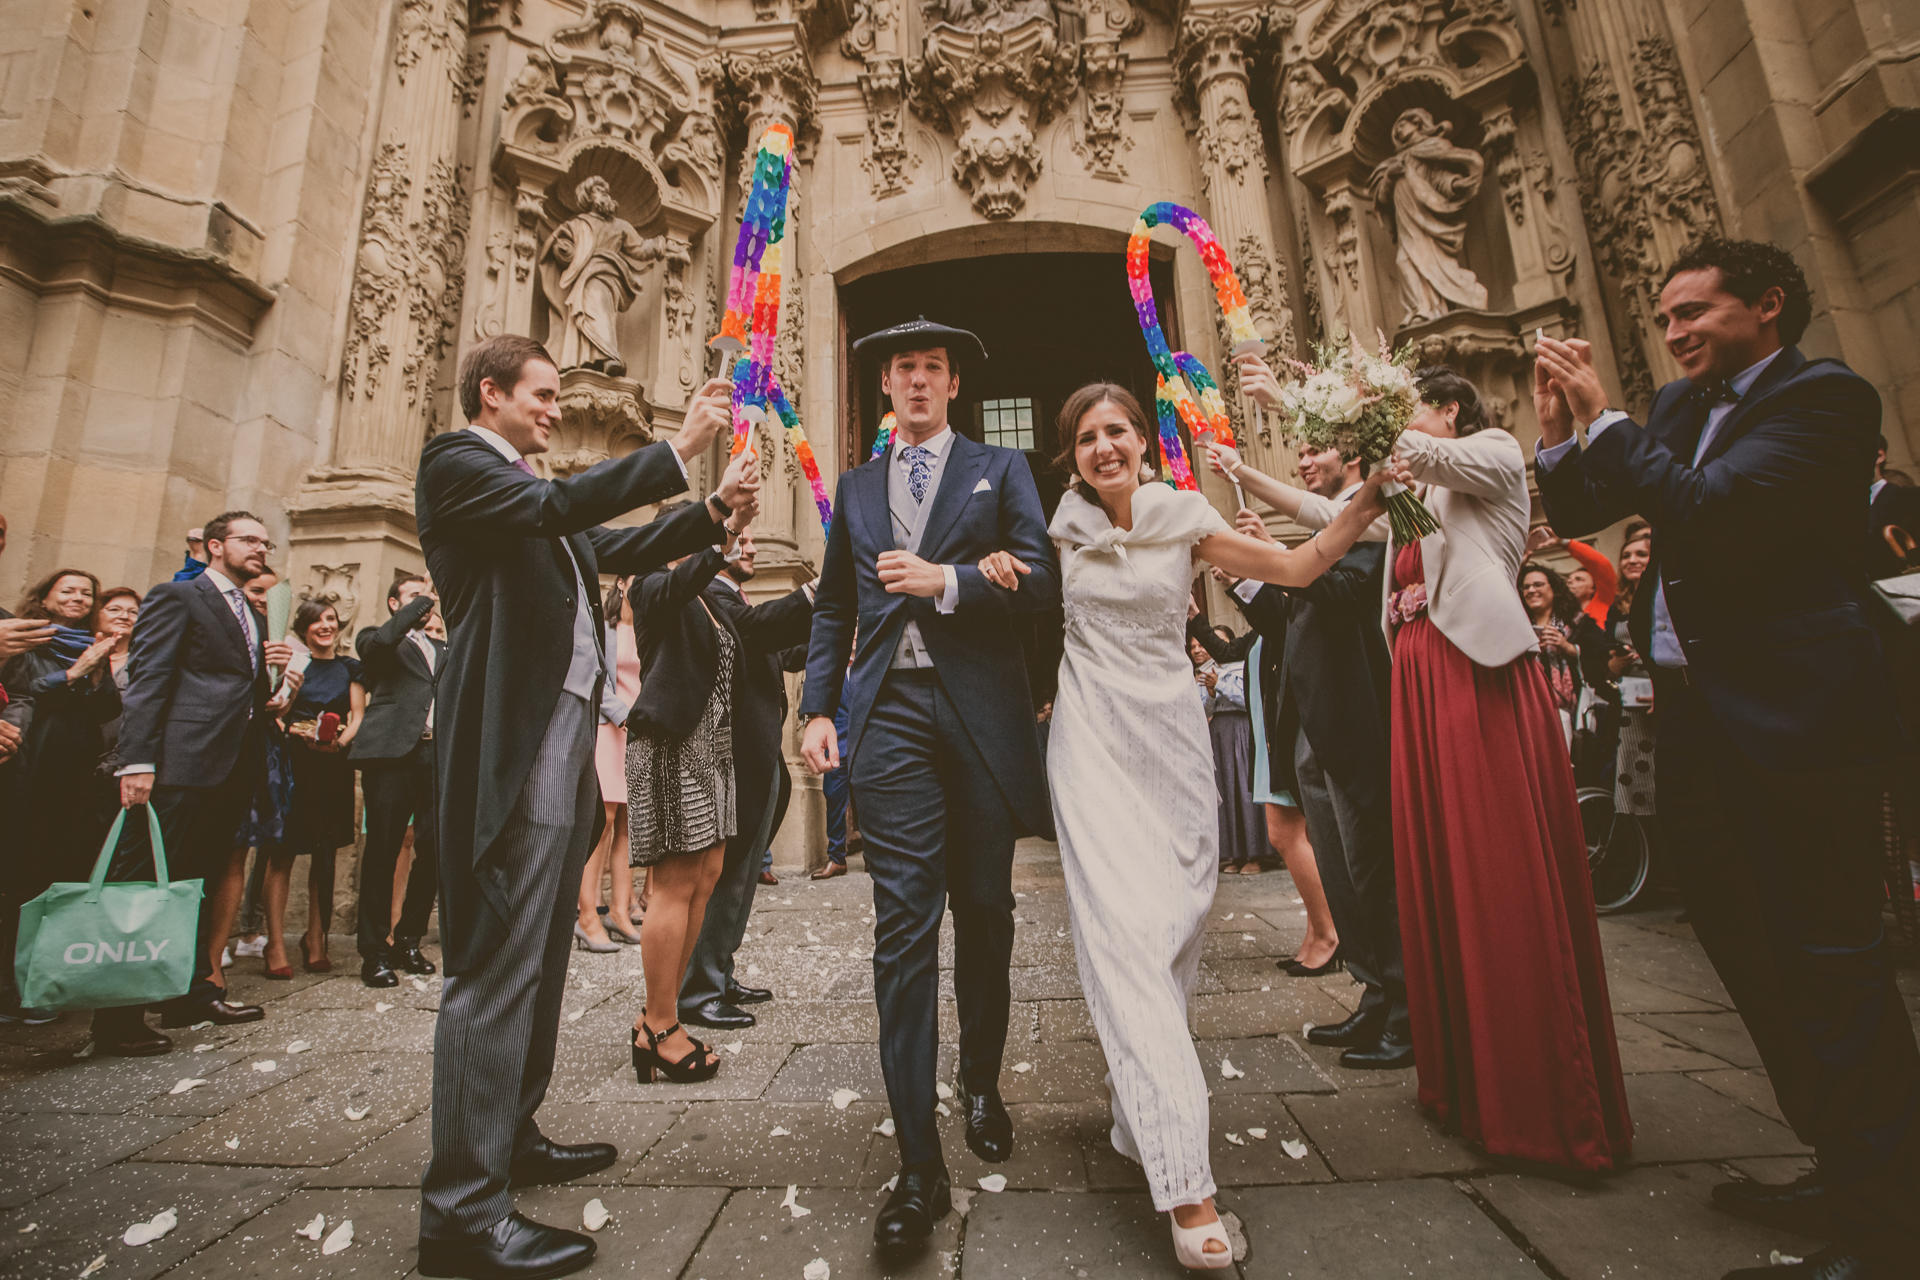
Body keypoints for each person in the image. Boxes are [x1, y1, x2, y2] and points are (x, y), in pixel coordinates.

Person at [1534, 236, 1919, 1279]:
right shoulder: (1678, 412)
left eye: (1693, 313)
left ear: (1768, 306)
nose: (1673, 333)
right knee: (1753, 953)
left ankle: (1888, 1226)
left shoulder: (1824, 400)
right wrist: (1562, 431)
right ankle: (1841, 1159)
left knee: (1831, 962)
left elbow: (1716, 515)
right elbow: (1574, 514)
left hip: (1801, 724)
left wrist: (1613, 418)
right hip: (1703, 726)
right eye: (1664, 319)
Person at [1005, 381, 1391, 1267]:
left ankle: (1139, 1120)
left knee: (1176, 932)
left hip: (1173, 746)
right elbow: (1011, 595)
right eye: (1088, 437)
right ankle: (1188, 1189)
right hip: (1092, 743)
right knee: (1126, 942)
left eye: (1118, 431)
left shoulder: (1185, 518)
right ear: (1072, 454)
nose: (1105, 447)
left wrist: (1368, 497)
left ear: (1143, 440)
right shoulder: (1052, 529)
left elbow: (1297, 568)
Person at [414, 334, 751, 1280]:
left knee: (540, 955)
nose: (555, 409)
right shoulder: (459, 465)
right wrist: (680, 450)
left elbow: (611, 543)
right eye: (542, 394)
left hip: (562, 742)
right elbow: (565, 505)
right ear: (492, 393)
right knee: (494, 966)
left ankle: (510, 1137)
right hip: (514, 740)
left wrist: (714, 511)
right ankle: (462, 1214)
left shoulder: (528, 497)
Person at [800, 319, 1060, 1252]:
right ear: (885, 389)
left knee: (984, 908)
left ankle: (981, 1083)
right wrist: (816, 708)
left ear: (953, 385)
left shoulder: (1003, 469)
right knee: (903, 924)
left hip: (981, 714)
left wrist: (948, 581)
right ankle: (918, 1164)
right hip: (890, 717)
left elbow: (1041, 583)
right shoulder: (860, 488)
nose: (915, 381)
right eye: (901, 370)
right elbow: (835, 603)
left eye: (931, 369)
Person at [1379, 366, 1633, 1173]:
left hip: (1476, 678)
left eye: (1412, 404)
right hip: (1422, 681)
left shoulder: (1488, 455)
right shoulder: (1419, 496)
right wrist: (1255, 458)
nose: (1405, 422)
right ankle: (1471, 1082)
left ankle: (1545, 1102)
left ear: (1446, 407)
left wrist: (1360, 412)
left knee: (1499, 868)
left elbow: (1418, 456)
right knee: (1447, 874)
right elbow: (1339, 517)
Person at [1200, 413, 1408, 1067]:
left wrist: (1287, 562)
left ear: (1355, 455)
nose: (1305, 460)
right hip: (1309, 723)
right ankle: (1375, 995)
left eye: (1316, 449)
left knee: (1373, 870)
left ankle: (1407, 1010)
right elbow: (1290, 618)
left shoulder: (1370, 517)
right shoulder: (1328, 528)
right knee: (1344, 873)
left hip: (1351, 716)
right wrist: (1255, 580)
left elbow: (1346, 592)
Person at [114, 511, 289, 1050]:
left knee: (200, 881)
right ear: (215, 545)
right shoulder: (178, 597)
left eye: (265, 542)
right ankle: (116, 1018)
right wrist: (138, 760)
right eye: (248, 540)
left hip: (232, 765)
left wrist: (276, 693)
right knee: (146, 882)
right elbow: (151, 678)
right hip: (178, 764)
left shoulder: (252, 613)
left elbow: (235, 688)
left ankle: (188, 992)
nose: (261, 549)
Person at [621, 501, 757, 1078]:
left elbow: (756, 630)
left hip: (712, 751)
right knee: (674, 884)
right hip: (672, 746)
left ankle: (662, 1013)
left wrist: (818, 596)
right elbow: (674, 584)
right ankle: (658, 1027)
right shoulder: (650, 584)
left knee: (705, 877)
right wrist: (723, 533)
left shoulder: (705, 596)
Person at [678, 527, 815, 1031]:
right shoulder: (709, 593)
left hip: (759, 756)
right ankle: (698, 989)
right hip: (731, 757)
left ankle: (720, 971)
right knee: (725, 878)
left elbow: (781, 652)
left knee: (741, 879)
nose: (753, 547)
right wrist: (814, 593)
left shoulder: (733, 596)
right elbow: (757, 629)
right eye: (741, 539)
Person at [0, 569, 120, 1025]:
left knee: (59, 873)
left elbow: (108, 708)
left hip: (75, 769)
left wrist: (93, 675)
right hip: (31, 765)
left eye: (86, 593)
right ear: (45, 598)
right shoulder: (24, 639)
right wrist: (74, 673)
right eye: (67, 590)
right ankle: (9, 988)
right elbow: (19, 695)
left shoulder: (93, 644)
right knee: (20, 873)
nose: (77, 597)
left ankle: (44, 981)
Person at [259, 600, 363, 977]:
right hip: (293, 763)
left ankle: (316, 937)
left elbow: (358, 716)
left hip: (332, 763)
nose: (325, 625)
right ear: (303, 628)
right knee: (282, 852)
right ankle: (273, 943)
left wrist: (340, 742)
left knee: (326, 853)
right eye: (317, 620)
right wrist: (290, 726)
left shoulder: (350, 667)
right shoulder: (292, 665)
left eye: (331, 619)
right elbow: (278, 712)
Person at [350, 574, 444, 987]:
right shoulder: (378, 639)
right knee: (383, 850)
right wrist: (419, 602)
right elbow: (375, 647)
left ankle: (408, 938)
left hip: (437, 756)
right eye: (411, 598)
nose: (425, 605)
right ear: (395, 604)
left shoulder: (445, 647)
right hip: (391, 755)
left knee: (435, 849)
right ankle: (373, 950)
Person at [577, 576, 642, 952]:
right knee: (602, 823)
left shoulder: (650, 627)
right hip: (610, 729)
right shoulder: (604, 630)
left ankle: (620, 908)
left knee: (630, 826)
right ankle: (587, 914)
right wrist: (626, 716)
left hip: (640, 733)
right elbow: (596, 682)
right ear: (621, 583)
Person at [1517, 562, 1585, 744]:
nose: (1531, 590)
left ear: (1553, 588)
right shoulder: (1517, 625)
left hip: (1572, 713)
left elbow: (1601, 659)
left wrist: (1568, 647)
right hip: (1530, 708)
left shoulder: (1577, 622)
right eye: (1526, 587)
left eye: (1538, 584)